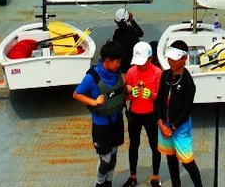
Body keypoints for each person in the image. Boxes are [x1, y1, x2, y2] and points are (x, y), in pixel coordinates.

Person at [74, 40, 127, 187]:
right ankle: (99, 183)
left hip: (116, 120)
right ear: (107, 61)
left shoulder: (115, 72)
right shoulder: (92, 77)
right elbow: (77, 94)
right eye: (117, 61)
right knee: (106, 159)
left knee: (114, 155)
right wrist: (94, 102)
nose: (119, 65)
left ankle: (108, 183)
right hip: (101, 124)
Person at [156, 43, 203, 187]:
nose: (171, 61)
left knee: (187, 161)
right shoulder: (165, 75)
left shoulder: (188, 82)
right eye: (169, 58)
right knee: (170, 157)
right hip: (164, 125)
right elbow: (159, 100)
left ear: (184, 59)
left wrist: (173, 127)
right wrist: (161, 123)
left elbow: (187, 109)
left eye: (175, 59)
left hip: (180, 127)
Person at [122, 41, 162, 187]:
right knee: (134, 145)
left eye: (142, 62)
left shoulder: (157, 73)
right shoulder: (131, 72)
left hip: (151, 115)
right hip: (135, 114)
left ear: (150, 59)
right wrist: (130, 93)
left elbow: (163, 97)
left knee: (155, 145)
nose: (139, 65)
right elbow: (125, 96)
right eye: (137, 62)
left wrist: (152, 95)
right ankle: (133, 175)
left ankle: (155, 176)